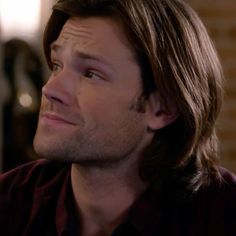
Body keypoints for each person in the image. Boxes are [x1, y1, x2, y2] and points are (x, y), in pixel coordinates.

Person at [0, 0, 236, 235]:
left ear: (163, 109)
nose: (50, 89)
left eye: (91, 73)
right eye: (56, 65)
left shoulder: (222, 215)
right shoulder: (10, 203)